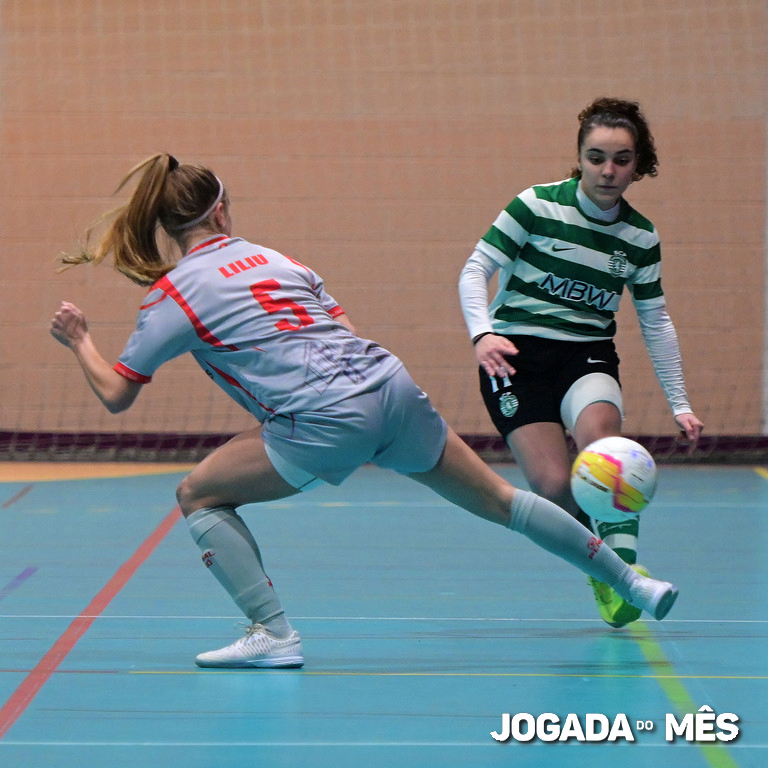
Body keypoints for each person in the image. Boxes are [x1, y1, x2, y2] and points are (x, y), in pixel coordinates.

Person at [51, 152, 679, 669]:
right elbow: (343, 330)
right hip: (388, 386)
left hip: (324, 420)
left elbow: (117, 394)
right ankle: (633, 583)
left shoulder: (172, 295)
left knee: (198, 494)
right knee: (502, 500)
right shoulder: (277, 259)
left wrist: (80, 340)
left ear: (166, 224)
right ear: (221, 209)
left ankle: (272, 633)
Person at [459, 98, 703, 629]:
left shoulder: (640, 237)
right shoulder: (535, 205)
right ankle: (603, 570)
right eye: (596, 158)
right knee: (552, 488)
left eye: (621, 159)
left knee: (607, 451)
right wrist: (483, 333)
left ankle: (627, 572)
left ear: (638, 165)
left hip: (586, 354)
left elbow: (656, 320)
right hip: (514, 356)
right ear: (580, 158)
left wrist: (680, 402)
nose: (607, 170)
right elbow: (475, 269)